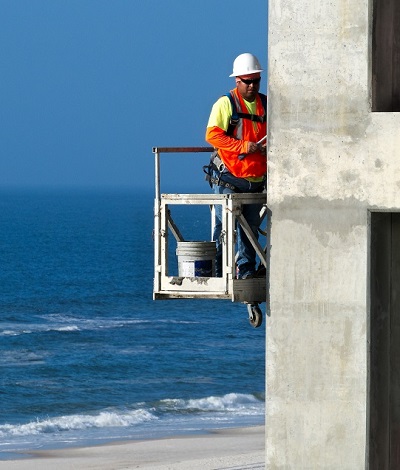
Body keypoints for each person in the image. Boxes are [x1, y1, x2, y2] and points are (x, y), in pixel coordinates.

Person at [205, 53, 267, 279]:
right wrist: (243, 146)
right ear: (237, 81)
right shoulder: (226, 104)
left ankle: (246, 270)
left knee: (249, 230)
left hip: (255, 181)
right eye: (247, 81)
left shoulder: (266, 104)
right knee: (226, 226)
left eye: (256, 80)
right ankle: (220, 268)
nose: (252, 85)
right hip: (229, 178)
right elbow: (212, 136)